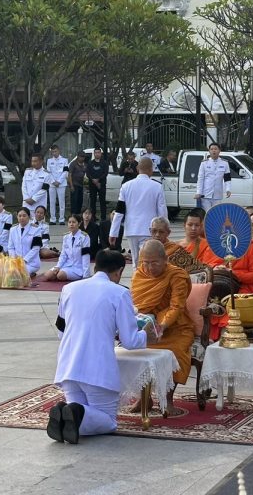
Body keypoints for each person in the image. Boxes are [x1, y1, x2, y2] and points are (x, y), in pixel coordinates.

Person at [51, 249, 152, 444]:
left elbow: (61, 330)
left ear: (95, 267)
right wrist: (146, 334)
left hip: (67, 365)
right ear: (119, 271)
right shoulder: (119, 292)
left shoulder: (69, 289)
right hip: (97, 369)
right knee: (108, 421)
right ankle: (74, 412)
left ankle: (67, 413)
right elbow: (130, 341)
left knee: (75, 417)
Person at [130, 240, 193, 415]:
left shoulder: (177, 275)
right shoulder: (139, 275)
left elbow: (176, 307)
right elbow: (136, 306)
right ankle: (144, 398)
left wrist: (163, 326)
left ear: (166, 259)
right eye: (145, 262)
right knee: (135, 352)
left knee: (177, 353)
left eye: (154, 263)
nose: (149, 268)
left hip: (177, 327)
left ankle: (167, 400)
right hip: (148, 326)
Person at [110, 157, 168, 268]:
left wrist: (113, 233)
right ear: (151, 169)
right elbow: (162, 211)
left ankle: (136, 277)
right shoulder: (157, 187)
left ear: (137, 168)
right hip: (149, 229)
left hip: (131, 229)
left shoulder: (126, 186)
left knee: (136, 261)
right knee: (147, 261)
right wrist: (164, 230)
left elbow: (119, 211)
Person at [42, 215, 91, 282]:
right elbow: (63, 255)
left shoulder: (84, 237)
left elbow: (86, 256)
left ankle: (62, 275)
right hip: (66, 265)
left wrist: (86, 276)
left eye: (74, 222)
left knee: (60, 275)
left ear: (79, 224)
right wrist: (58, 266)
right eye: (69, 222)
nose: (71, 224)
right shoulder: (66, 237)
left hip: (78, 268)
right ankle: (60, 273)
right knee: (47, 275)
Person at [8, 207, 42, 277]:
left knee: (18, 274)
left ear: (29, 217)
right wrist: (14, 259)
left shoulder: (36, 229)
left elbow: (36, 248)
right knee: (4, 272)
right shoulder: (13, 229)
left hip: (31, 263)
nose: (22, 218)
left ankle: (30, 273)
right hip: (16, 262)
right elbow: (10, 247)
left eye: (24, 216)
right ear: (17, 217)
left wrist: (24, 260)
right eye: (19, 216)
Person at [195, 143, 231, 210]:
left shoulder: (225, 163)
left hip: (217, 194)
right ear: (209, 151)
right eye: (211, 149)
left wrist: (228, 189)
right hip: (206, 194)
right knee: (207, 213)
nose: (213, 151)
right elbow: (200, 179)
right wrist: (198, 192)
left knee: (216, 213)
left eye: (215, 149)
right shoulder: (204, 163)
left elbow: (227, 178)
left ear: (219, 150)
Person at [46, 145, 69, 224]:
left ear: (59, 151)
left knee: (61, 201)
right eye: (53, 152)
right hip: (52, 184)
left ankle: (61, 219)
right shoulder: (49, 161)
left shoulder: (65, 160)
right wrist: (53, 181)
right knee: (52, 202)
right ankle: (52, 219)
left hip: (61, 184)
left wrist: (59, 181)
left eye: (55, 151)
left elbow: (65, 172)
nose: (54, 153)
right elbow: (48, 172)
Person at [86, 147, 109, 220]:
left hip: (102, 184)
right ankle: (93, 217)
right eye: (95, 152)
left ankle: (103, 218)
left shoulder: (104, 163)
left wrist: (98, 180)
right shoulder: (90, 163)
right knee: (93, 201)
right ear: (94, 154)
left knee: (102, 201)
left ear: (101, 153)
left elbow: (105, 173)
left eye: (98, 152)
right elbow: (87, 173)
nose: (97, 154)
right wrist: (93, 180)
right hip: (92, 184)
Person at [69, 151, 87, 217]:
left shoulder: (85, 165)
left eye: (83, 157)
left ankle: (78, 214)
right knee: (74, 200)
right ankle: (73, 214)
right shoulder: (73, 164)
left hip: (81, 185)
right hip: (74, 184)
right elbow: (69, 175)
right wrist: (71, 186)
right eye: (81, 156)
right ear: (78, 156)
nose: (82, 158)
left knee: (80, 200)